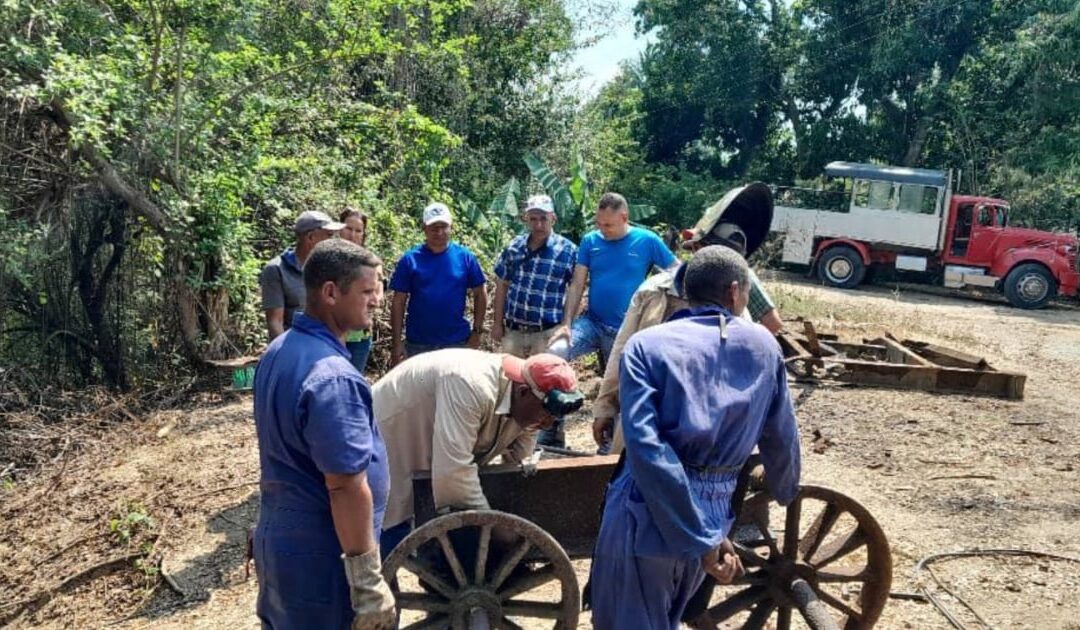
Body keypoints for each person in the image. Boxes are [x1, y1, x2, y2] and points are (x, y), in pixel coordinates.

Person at [588, 245, 802, 630]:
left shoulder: (647, 346)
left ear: (685, 291)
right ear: (735, 292)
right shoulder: (767, 348)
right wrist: (785, 489)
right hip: (717, 510)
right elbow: (782, 436)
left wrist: (698, 537)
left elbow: (646, 448)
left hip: (647, 513)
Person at [252, 239, 394, 629]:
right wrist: (365, 583)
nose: (377, 300)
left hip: (282, 548)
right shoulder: (332, 377)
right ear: (331, 292)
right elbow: (344, 487)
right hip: (323, 563)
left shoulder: (279, 350)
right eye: (367, 290)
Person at [593, 183, 784, 453]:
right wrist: (605, 406)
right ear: (696, 249)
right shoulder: (654, 292)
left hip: (704, 438)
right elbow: (622, 351)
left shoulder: (742, 311)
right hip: (644, 428)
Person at [374, 350, 583, 554]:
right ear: (522, 392)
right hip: (389, 429)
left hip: (433, 439)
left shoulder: (531, 394)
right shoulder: (469, 385)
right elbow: (454, 472)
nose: (547, 425)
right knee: (390, 516)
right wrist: (495, 526)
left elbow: (518, 462)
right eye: (545, 415)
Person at [389, 202, 487, 366]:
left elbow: (480, 292)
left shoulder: (465, 257)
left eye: (444, 226)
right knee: (420, 391)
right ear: (424, 228)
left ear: (451, 227)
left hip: (456, 342)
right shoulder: (410, 259)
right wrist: (397, 342)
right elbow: (398, 301)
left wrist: (477, 331)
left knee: (455, 391)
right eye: (434, 227)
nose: (439, 232)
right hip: (418, 344)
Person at [491, 194, 577, 358]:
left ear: (553, 218)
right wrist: (497, 323)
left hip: (546, 333)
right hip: (513, 331)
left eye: (543, 218)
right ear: (526, 219)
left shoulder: (568, 251)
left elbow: (575, 289)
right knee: (511, 380)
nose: (538, 224)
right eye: (533, 219)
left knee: (542, 381)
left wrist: (566, 323)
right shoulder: (514, 246)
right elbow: (501, 284)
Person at [259, 210, 345, 341]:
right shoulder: (276, 270)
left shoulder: (327, 268)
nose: (333, 242)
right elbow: (275, 322)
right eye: (328, 235)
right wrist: (288, 354)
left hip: (323, 345)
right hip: (294, 345)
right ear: (311, 237)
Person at [338, 206, 375, 374]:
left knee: (353, 382)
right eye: (348, 228)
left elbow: (376, 294)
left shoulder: (370, 261)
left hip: (360, 336)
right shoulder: (326, 258)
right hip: (333, 333)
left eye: (358, 231)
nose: (352, 235)